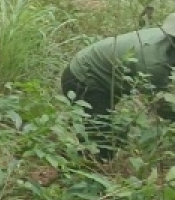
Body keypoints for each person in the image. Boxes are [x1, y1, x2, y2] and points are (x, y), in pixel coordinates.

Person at [61, 13, 175, 158]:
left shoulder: (168, 41)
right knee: (102, 148)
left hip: (107, 73)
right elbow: (161, 103)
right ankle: (68, 161)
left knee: (112, 134)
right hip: (84, 77)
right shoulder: (155, 64)